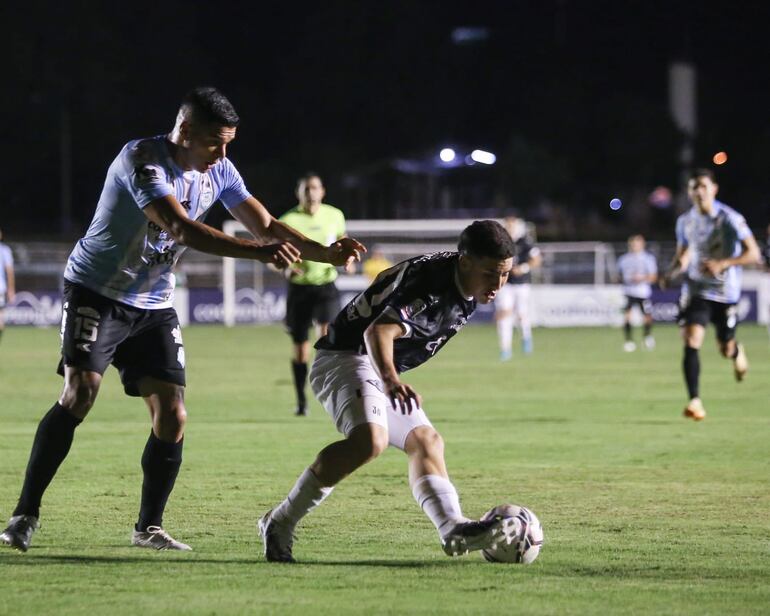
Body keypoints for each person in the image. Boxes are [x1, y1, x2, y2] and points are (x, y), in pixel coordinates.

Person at [0, 86, 364, 553]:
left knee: (173, 414)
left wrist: (325, 253)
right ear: (185, 131)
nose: (222, 154)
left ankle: (147, 528)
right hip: (97, 291)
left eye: (229, 144)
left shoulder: (220, 170)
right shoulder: (142, 161)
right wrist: (259, 253)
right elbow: (181, 228)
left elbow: (267, 226)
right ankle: (24, 515)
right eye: (215, 142)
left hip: (154, 302)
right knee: (80, 393)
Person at [258, 220, 518, 563]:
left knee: (426, 441)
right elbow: (377, 332)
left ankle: (452, 527)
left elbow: (386, 286)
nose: (498, 284)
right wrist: (392, 380)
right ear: (466, 261)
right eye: (490, 274)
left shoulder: (461, 277)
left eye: (505, 274)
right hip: (346, 356)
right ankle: (279, 522)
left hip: (375, 366)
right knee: (370, 440)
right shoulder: (433, 286)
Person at [665, 168, 760, 421]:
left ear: (714, 189)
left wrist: (723, 263)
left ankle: (736, 351)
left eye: (703, 186)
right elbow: (683, 254)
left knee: (725, 348)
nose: (699, 191)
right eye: (694, 187)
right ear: (689, 192)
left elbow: (754, 254)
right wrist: (671, 272)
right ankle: (695, 401)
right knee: (691, 339)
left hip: (725, 293)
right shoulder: (685, 221)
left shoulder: (730, 218)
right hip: (697, 289)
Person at [279, 174, 348, 417]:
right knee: (301, 350)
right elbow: (274, 255)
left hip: (326, 286)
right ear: (298, 193)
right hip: (299, 289)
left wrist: (347, 258)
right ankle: (301, 401)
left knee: (326, 341)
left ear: (322, 191)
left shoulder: (335, 215)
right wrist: (285, 269)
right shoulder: (287, 220)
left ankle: (330, 396)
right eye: (306, 188)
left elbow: (341, 241)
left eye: (315, 187)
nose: (311, 192)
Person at [494, 217, 541, 360]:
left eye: (512, 226)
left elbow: (537, 259)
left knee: (521, 314)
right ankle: (505, 349)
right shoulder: (499, 243)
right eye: (507, 226)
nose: (510, 228)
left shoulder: (525, 242)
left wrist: (523, 268)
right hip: (505, 284)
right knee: (504, 313)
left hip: (521, 284)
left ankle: (526, 338)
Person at [616, 235, 658, 352]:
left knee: (647, 317)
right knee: (627, 317)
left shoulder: (648, 259)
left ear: (642, 245)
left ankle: (647, 336)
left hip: (643, 293)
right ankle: (629, 341)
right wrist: (621, 279)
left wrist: (641, 278)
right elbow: (618, 276)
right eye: (633, 244)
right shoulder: (623, 259)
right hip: (628, 292)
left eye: (637, 244)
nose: (635, 246)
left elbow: (654, 277)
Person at [0, 227, 15, 345]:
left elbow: (9, 271)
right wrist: (11, 290)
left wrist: (10, 290)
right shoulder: (5, 250)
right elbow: (9, 271)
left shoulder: (4, 250)